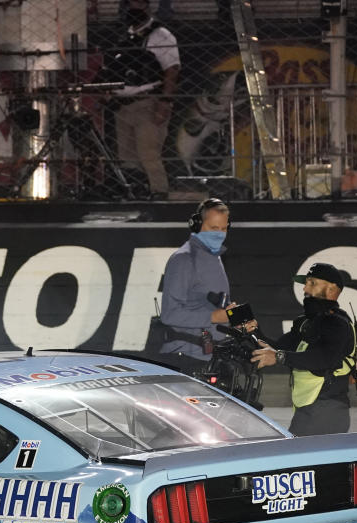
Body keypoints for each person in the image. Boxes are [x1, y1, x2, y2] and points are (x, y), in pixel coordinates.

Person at [250, 263, 357, 437]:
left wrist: (279, 357)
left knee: (293, 458)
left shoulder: (337, 323)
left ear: (332, 290)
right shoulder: (306, 322)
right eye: (306, 283)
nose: (305, 288)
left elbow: (323, 359)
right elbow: (277, 348)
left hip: (328, 411)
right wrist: (253, 331)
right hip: (310, 409)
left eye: (312, 283)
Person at [103, 0, 179, 200]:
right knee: (126, 157)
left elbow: (172, 70)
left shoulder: (160, 35)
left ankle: (160, 195)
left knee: (149, 154)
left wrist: (165, 102)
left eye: (138, 3)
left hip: (148, 102)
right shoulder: (124, 36)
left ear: (147, 6)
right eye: (129, 4)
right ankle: (136, 193)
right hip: (123, 105)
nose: (133, 8)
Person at [158, 197, 236, 371]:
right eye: (214, 228)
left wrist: (234, 318)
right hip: (186, 357)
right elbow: (169, 314)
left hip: (210, 356)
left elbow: (209, 304)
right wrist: (214, 317)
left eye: (224, 228)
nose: (219, 234)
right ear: (197, 225)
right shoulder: (184, 259)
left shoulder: (214, 256)